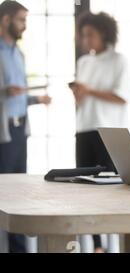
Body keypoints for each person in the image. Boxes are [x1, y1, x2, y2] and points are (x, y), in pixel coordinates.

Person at [70, 11, 130, 253]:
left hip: (109, 131)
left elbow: (121, 97)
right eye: (83, 36)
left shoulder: (119, 60)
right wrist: (79, 93)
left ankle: (119, 241)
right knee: (85, 187)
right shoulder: (83, 62)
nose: (85, 40)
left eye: (90, 35)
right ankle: (97, 246)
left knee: (111, 187)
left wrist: (89, 90)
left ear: (104, 33)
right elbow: (84, 99)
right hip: (84, 129)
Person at [0, 0, 51, 253]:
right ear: (7, 20)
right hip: (3, 132)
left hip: (20, 130)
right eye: (21, 20)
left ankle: (18, 250)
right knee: (3, 193)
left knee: (17, 194)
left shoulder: (18, 54)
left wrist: (35, 99)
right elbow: (5, 93)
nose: (25, 26)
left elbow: (17, 94)